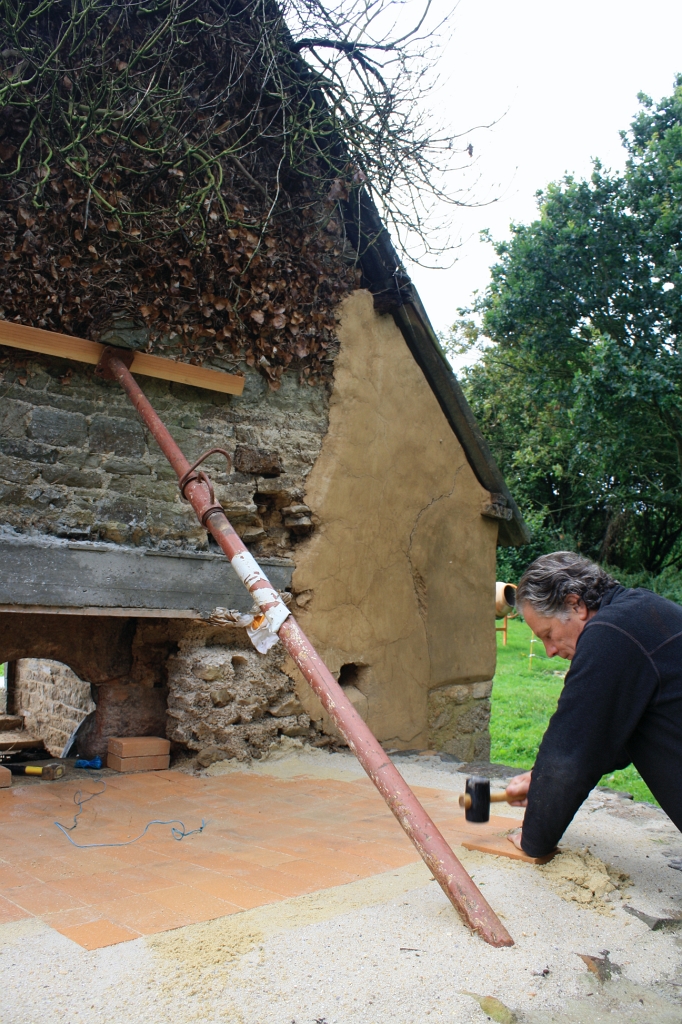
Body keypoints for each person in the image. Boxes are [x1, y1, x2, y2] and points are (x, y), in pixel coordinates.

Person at [503, 551, 682, 857]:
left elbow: (570, 751)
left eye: (549, 634)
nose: (549, 650)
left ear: (576, 604)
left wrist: (533, 840)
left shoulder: (610, 634)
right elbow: (612, 735)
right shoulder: (645, 612)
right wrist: (539, 779)